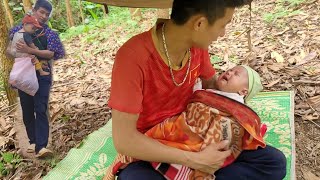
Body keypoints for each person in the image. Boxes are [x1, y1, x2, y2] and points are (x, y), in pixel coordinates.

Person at [108, 0, 287, 179]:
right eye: (223, 25)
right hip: (152, 149)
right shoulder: (132, 58)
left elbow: (213, 90)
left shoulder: (196, 47)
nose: (223, 34)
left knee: (273, 162)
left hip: (194, 136)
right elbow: (124, 141)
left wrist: (233, 120)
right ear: (199, 24)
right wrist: (195, 160)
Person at [105, 65, 267, 180]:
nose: (229, 72)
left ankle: (197, 172)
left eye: (236, 73)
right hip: (171, 143)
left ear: (243, 92)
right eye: (230, 69)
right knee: (133, 176)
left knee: (274, 161)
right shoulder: (136, 63)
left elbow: (234, 129)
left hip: (210, 149)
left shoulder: (236, 105)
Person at [7, 0, 65, 158]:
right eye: (41, 12)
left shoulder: (50, 34)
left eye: (47, 14)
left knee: (40, 108)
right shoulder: (17, 31)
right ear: (33, 10)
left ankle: (41, 146)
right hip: (24, 76)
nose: (44, 16)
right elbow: (10, 51)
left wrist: (29, 49)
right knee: (27, 110)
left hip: (42, 76)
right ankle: (33, 141)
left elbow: (52, 53)